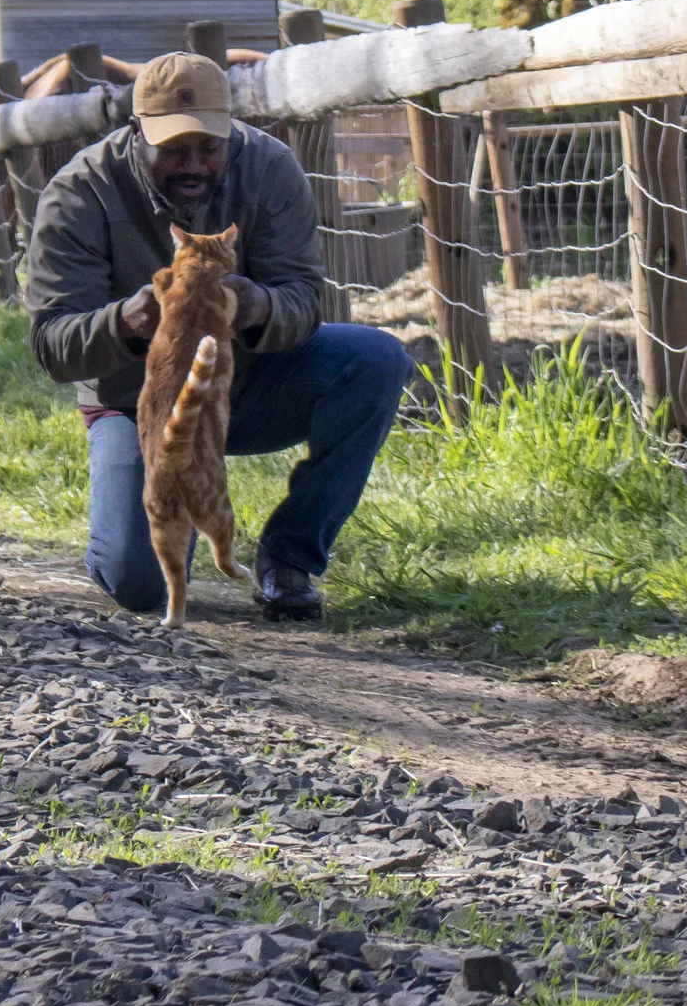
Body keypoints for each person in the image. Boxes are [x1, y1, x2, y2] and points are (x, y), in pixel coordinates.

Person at [24, 51, 414, 620]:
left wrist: (260, 306)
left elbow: (305, 301)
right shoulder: (80, 192)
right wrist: (127, 321)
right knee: (136, 582)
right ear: (136, 134)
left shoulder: (272, 168)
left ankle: (289, 559)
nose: (194, 164)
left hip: (248, 385)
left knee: (377, 359)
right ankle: (123, 546)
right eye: (174, 150)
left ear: (231, 132)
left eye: (209, 147)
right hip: (137, 407)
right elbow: (52, 347)